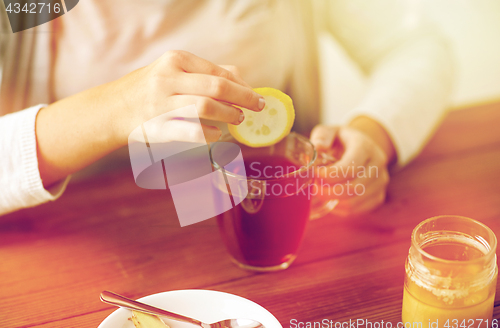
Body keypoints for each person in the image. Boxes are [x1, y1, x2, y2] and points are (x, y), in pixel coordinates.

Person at [0, 0, 452, 216]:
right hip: (88, 246)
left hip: (267, 222)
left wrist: (374, 133)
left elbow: (414, 45)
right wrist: (118, 107)